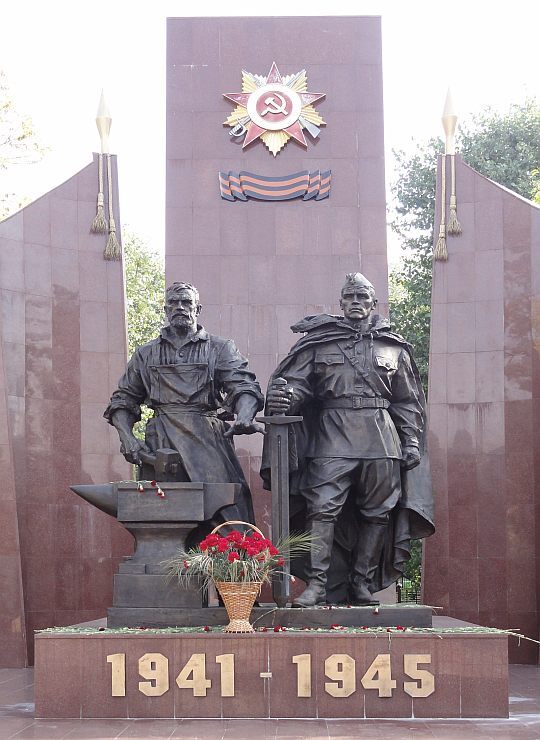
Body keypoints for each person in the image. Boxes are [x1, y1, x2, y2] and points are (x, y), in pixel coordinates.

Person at [263, 272, 434, 607]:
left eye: (363, 297)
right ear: (341, 303)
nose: (356, 303)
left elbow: (408, 401)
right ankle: (317, 585)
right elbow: (298, 384)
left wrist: (411, 441)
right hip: (332, 434)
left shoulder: (393, 347)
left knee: (377, 513)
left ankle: (361, 583)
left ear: (373, 303)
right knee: (322, 509)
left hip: (381, 437)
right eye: (350, 298)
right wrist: (287, 396)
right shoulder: (320, 342)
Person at [105, 281, 264, 530]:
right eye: (174, 303)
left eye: (186, 302)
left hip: (208, 439)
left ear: (197, 309)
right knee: (162, 517)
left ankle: (236, 568)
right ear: (166, 310)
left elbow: (244, 386)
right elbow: (123, 400)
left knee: (230, 516)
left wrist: (245, 414)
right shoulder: (145, 354)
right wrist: (127, 437)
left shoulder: (220, 347)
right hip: (161, 443)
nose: (180, 307)